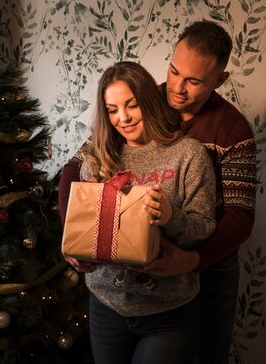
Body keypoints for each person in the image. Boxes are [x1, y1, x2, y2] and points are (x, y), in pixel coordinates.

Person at [59, 21, 257, 364]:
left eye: (194, 81)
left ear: (219, 81)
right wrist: (72, 234)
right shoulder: (140, 101)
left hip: (208, 265)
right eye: (174, 71)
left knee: (207, 353)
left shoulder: (231, 128)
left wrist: (191, 260)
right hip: (118, 293)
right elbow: (77, 168)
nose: (177, 88)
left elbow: (239, 217)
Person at [63, 61, 217, 364]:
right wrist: (76, 253)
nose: (123, 118)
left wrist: (171, 215)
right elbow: (84, 227)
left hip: (169, 313)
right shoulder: (97, 158)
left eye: (131, 105)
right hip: (106, 305)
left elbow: (204, 229)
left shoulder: (188, 154)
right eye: (112, 109)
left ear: (147, 100)